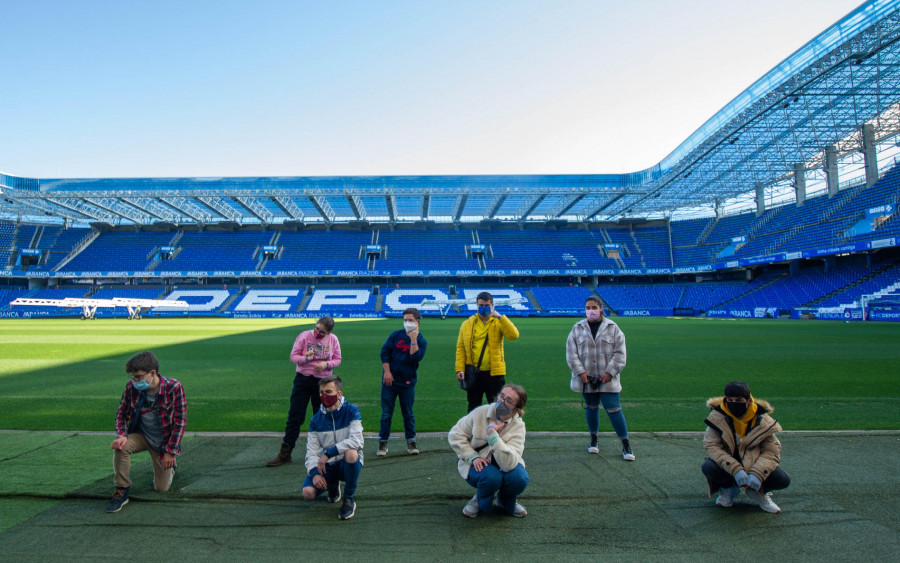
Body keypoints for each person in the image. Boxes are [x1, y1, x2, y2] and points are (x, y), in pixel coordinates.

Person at [107, 351, 187, 513]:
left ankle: (171, 467)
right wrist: (121, 435)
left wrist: (171, 451)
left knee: (161, 488)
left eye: (138, 377)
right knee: (120, 448)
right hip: (141, 435)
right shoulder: (131, 387)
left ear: (152, 373)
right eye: (133, 377)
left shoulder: (174, 387)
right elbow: (121, 413)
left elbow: (180, 422)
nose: (135, 381)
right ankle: (122, 489)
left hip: (163, 441)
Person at [702, 380, 791, 514]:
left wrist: (757, 473)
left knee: (783, 480)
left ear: (748, 401)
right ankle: (728, 489)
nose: (734, 403)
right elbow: (712, 447)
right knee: (708, 467)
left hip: (754, 464)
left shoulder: (763, 421)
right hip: (728, 466)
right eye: (730, 400)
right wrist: (736, 470)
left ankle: (759, 492)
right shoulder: (716, 418)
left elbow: (772, 452)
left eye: (739, 400)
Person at [565, 296, 634, 460]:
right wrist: (581, 373)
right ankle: (594, 439)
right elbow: (571, 354)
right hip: (586, 380)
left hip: (608, 380)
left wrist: (609, 372)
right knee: (591, 408)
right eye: (588, 307)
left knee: (614, 409)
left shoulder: (613, 328)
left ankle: (625, 443)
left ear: (601, 308)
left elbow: (620, 354)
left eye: (594, 307)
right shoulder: (577, 328)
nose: (591, 311)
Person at [267, 316, 342, 467]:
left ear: (329, 332)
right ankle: (285, 453)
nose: (317, 333)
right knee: (295, 416)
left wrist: (327, 364)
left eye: (322, 332)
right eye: (316, 328)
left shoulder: (333, 340)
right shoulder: (304, 336)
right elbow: (293, 357)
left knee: (322, 416)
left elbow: (337, 359)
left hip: (323, 383)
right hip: (303, 379)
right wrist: (305, 359)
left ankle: (325, 453)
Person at [448, 383, 529, 518]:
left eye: (508, 401)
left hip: (505, 465)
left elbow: (509, 464)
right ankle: (480, 500)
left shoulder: (519, 426)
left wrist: (492, 435)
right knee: (491, 477)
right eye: (501, 396)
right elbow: (455, 435)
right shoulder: (480, 412)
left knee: (520, 478)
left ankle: (505, 501)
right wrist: (472, 456)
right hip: (477, 463)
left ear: (516, 409)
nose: (501, 402)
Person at [302, 376, 363, 520]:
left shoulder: (352, 411)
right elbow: (311, 452)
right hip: (327, 466)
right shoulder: (316, 420)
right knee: (307, 493)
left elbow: (357, 441)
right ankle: (332, 486)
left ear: (339, 394)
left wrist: (329, 453)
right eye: (321, 392)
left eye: (328, 392)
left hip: (344, 462)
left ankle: (349, 499)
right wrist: (315, 473)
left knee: (352, 454)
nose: (324, 396)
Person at [455, 291, 520, 412]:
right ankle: (475, 431)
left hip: (494, 373)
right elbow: (461, 348)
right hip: (474, 373)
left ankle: (497, 430)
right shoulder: (467, 324)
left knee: (498, 408)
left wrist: (501, 317)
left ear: (492, 305)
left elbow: (514, 335)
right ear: (477, 305)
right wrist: (460, 368)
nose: (483, 308)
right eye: (481, 305)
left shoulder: (498, 322)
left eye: (486, 305)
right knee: (473, 408)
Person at [378, 307, 427, 456]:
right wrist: (387, 372)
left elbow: (415, 358)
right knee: (386, 414)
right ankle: (383, 443)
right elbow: (384, 352)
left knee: (408, 414)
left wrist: (413, 338)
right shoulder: (396, 335)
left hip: (407, 383)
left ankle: (411, 443)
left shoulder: (421, 340)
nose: (407, 323)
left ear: (417, 321)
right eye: (405, 320)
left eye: (410, 320)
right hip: (389, 382)